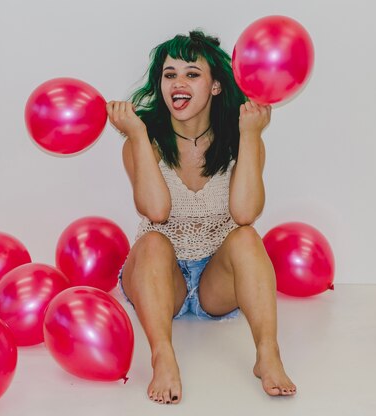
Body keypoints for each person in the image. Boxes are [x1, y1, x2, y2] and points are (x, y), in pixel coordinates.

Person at [106, 30, 296, 405]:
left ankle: (268, 354)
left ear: (215, 87)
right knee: (153, 240)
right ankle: (163, 356)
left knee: (246, 237)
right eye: (169, 74)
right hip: (161, 278)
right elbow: (156, 211)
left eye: (192, 74)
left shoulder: (240, 135)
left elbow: (245, 213)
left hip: (218, 281)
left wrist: (250, 136)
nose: (178, 82)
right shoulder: (144, 139)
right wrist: (139, 137)